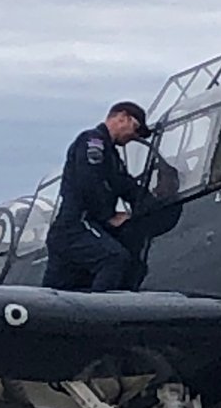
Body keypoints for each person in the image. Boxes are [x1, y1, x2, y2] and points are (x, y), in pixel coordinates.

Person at [43, 101, 152, 292]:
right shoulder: (92, 142)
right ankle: (103, 314)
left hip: (83, 227)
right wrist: (108, 217)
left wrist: (154, 200)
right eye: (135, 128)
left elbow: (125, 185)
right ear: (122, 118)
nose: (133, 137)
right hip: (75, 225)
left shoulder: (112, 157)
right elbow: (89, 181)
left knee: (66, 288)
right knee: (114, 259)